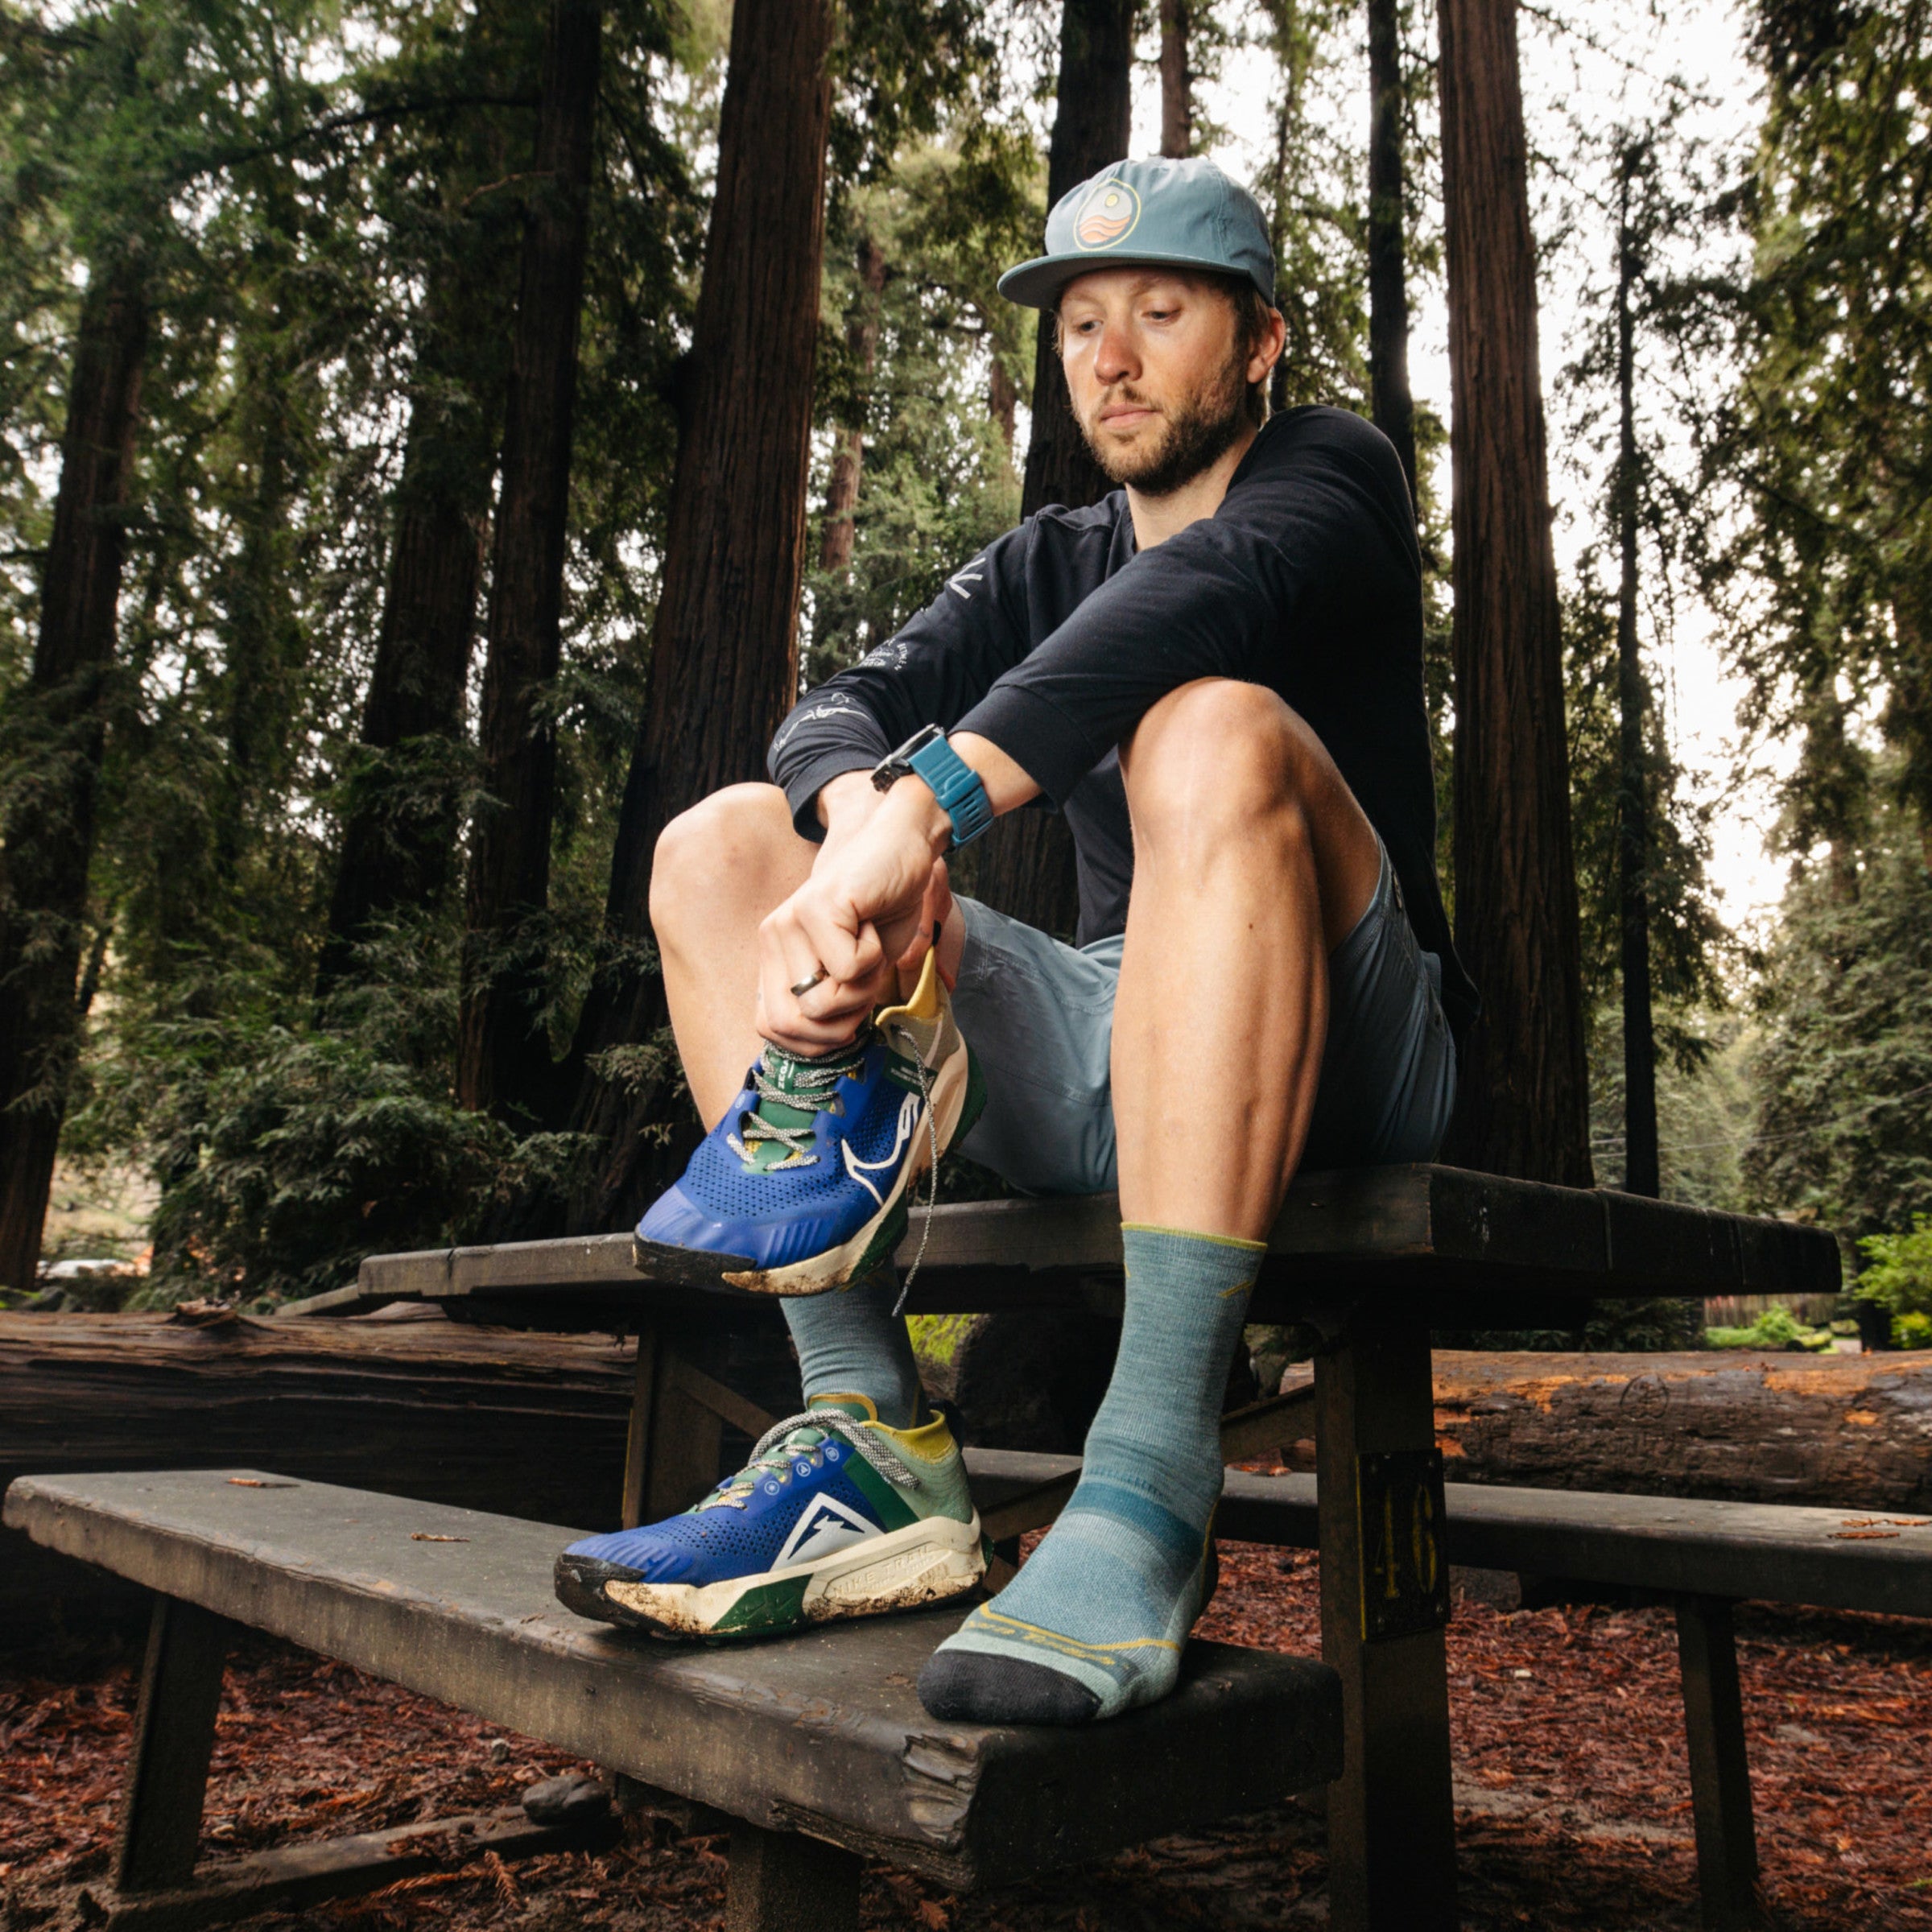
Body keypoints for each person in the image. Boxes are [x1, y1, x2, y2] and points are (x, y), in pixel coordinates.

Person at [554, 155, 1475, 1726]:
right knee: (720, 849)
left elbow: (1204, 594)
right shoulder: (1047, 555)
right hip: (1136, 1041)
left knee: (1208, 729)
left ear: (1257, 342)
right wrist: (866, 828)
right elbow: (836, 708)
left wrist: (934, 805)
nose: (1108, 359)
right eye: (1079, 325)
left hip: (1357, 1044)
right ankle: (864, 1439)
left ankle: (1150, 1473)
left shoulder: (1334, 474)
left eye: (1160, 313)